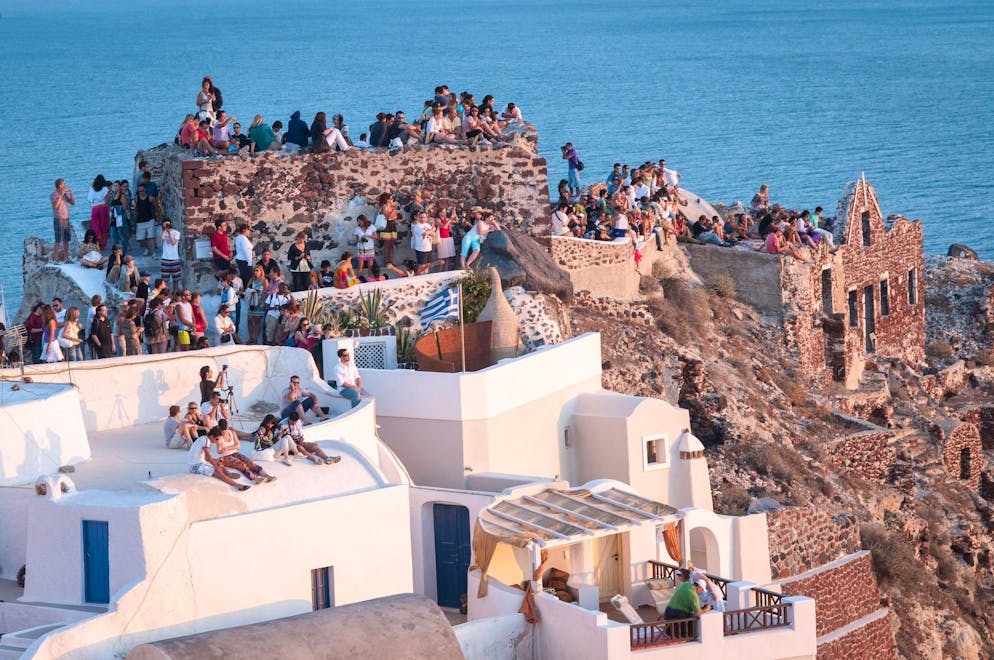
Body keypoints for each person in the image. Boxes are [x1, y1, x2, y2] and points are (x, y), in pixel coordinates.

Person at [214, 419, 275, 484]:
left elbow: (238, 446)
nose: (224, 432)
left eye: (225, 430)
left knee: (248, 461)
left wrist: (227, 448)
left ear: (227, 427)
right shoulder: (218, 437)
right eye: (222, 431)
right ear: (219, 428)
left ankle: (267, 476)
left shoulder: (232, 433)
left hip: (235, 453)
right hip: (225, 457)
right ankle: (255, 478)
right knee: (241, 464)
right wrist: (224, 449)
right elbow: (219, 451)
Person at [50, 179, 75, 263]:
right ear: (60, 185)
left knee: (66, 239)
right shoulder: (54, 194)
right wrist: (60, 195)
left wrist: (71, 194)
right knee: (58, 240)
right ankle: (56, 259)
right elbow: (55, 206)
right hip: (58, 219)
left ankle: (66, 257)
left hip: (66, 218)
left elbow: (72, 203)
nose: (65, 184)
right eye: (64, 183)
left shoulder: (65, 194)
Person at [133, 183, 157, 256]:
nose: (141, 192)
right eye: (140, 191)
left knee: (151, 237)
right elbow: (136, 209)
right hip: (140, 221)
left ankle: (154, 253)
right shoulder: (136, 198)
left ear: (145, 190)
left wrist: (157, 216)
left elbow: (156, 206)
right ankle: (147, 248)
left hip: (150, 219)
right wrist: (135, 217)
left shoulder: (150, 198)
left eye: (143, 190)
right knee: (140, 239)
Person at [160, 220, 182, 288]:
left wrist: (169, 233)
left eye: (168, 224)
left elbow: (173, 243)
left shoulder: (176, 233)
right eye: (165, 224)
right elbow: (160, 242)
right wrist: (164, 231)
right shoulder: (163, 232)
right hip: (165, 258)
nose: (166, 226)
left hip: (174, 258)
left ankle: (175, 292)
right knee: (164, 279)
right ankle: (166, 293)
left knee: (176, 279)